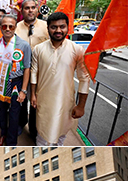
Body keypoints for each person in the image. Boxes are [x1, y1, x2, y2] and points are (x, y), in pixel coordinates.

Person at [30, 12, 90, 146]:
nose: (58, 30)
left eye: (62, 27)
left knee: (61, 135)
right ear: (48, 29)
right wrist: (33, 94)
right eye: (54, 27)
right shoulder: (38, 49)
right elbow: (34, 72)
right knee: (42, 136)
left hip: (65, 101)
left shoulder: (77, 50)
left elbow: (84, 79)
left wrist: (81, 106)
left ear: (68, 27)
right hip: (43, 100)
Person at [0, 15, 33, 145]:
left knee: (14, 113)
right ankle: (3, 134)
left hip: (16, 83)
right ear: (0, 27)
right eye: (4, 26)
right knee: (2, 111)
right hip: (1, 82)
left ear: (15, 27)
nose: (7, 29)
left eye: (11, 26)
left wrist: (24, 90)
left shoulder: (23, 45)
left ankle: (11, 141)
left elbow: (27, 68)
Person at [14, 0, 49, 141]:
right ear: (22, 11)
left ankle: (35, 129)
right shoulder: (16, 27)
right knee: (21, 98)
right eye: (27, 8)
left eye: (33, 7)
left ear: (37, 9)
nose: (30, 10)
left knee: (37, 101)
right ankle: (22, 122)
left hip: (40, 71)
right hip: (21, 70)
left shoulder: (46, 26)